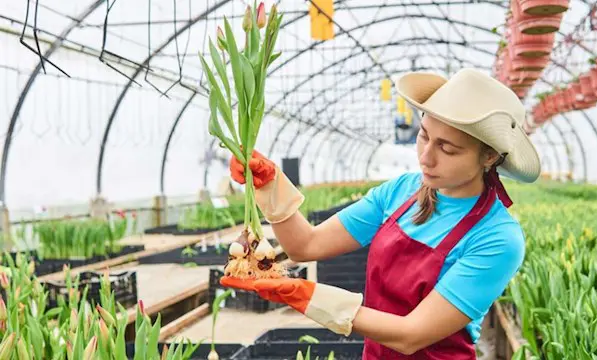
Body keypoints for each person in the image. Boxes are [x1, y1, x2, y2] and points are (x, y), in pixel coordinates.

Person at [220, 68, 541, 359]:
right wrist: (271, 185)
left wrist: (308, 296)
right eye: (424, 135)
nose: (426, 158)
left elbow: (410, 335)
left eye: (447, 148)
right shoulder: (401, 191)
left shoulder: (497, 237)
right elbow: (306, 246)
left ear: (489, 156)